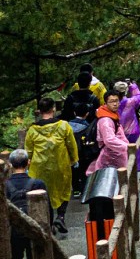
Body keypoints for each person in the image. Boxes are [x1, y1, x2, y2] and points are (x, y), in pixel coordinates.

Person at [24, 97, 78, 235]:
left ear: (39, 111)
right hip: (60, 164)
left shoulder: (32, 130)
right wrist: (73, 160)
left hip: (39, 168)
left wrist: (27, 163)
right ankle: (60, 217)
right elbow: (71, 145)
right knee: (64, 190)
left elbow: (28, 151)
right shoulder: (64, 126)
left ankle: (48, 223)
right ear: (53, 109)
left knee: (44, 193)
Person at [5, 148, 50, 258]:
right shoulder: (38, 184)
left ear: (10, 164)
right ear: (28, 163)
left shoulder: (4, 185)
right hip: (35, 227)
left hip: (13, 230)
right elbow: (47, 209)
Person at [86, 90, 129, 176]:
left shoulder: (112, 115)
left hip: (116, 153)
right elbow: (109, 140)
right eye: (111, 101)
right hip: (110, 155)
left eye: (117, 101)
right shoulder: (106, 120)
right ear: (106, 103)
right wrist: (126, 147)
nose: (115, 104)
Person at [114, 80, 140, 170]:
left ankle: (122, 171)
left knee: (121, 154)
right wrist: (133, 86)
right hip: (133, 130)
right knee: (136, 152)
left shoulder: (112, 104)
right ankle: (138, 170)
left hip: (118, 133)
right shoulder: (131, 102)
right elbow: (139, 97)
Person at [67, 102, 90, 195]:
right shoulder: (87, 127)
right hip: (83, 153)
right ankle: (84, 189)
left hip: (70, 153)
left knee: (73, 171)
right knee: (84, 170)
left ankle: (76, 189)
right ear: (87, 113)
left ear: (74, 113)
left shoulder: (67, 126)